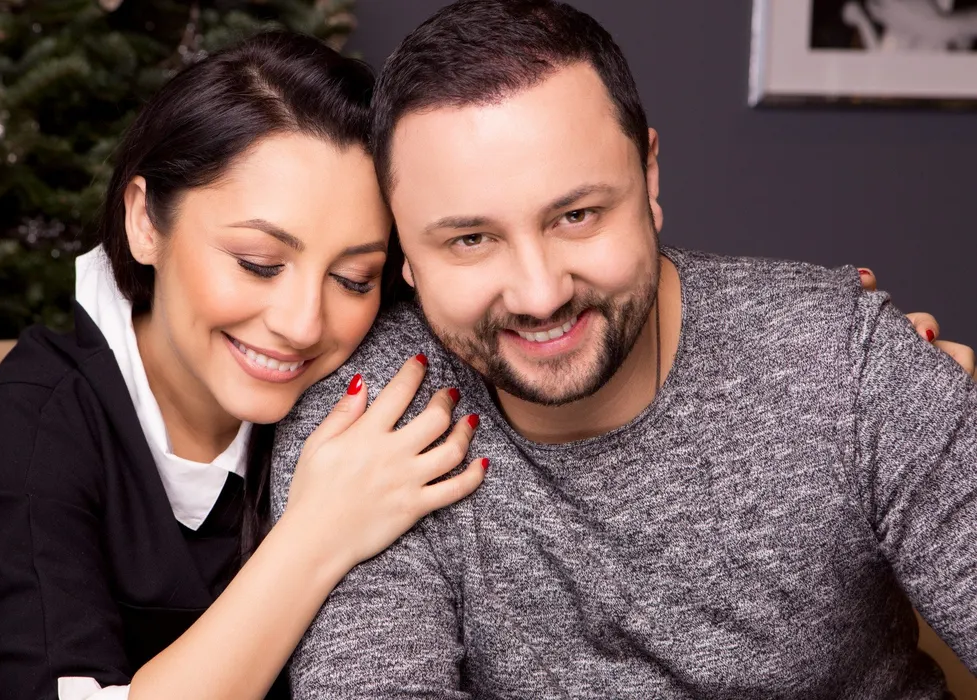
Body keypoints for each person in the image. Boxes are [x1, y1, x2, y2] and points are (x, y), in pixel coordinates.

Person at [269, 1, 977, 698]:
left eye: (576, 215)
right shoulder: (366, 429)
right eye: (470, 239)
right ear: (406, 250)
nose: (539, 294)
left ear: (649, 178)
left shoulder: (841, 356)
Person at [0, 32, 487, 700]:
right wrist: (317, 535)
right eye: (258, 263)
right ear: (145, 223)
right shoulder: (31, 418)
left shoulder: (373, 401)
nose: (302, 324)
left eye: (353, 279)